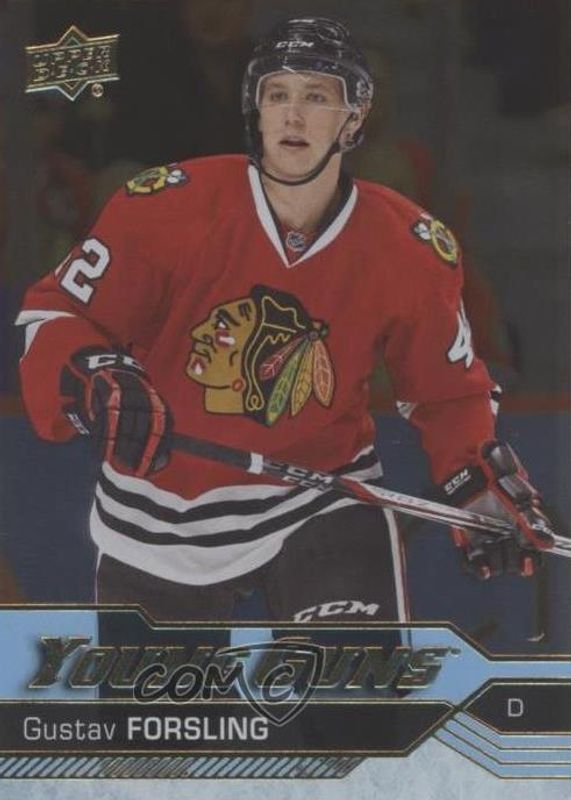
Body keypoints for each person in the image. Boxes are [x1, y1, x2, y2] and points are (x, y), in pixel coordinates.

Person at [15, 17, 557, 625]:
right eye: (277, 95)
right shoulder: (165, 210)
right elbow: (60, 314)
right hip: (155, 513)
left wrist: (477, 487)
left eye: (317, 96)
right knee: (163, 695)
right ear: (256, 110)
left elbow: (447, 393)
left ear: (354, 118)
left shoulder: (408, 246)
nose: (293, 116)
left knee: (353, 687)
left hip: (321, 500)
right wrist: (94, 374)